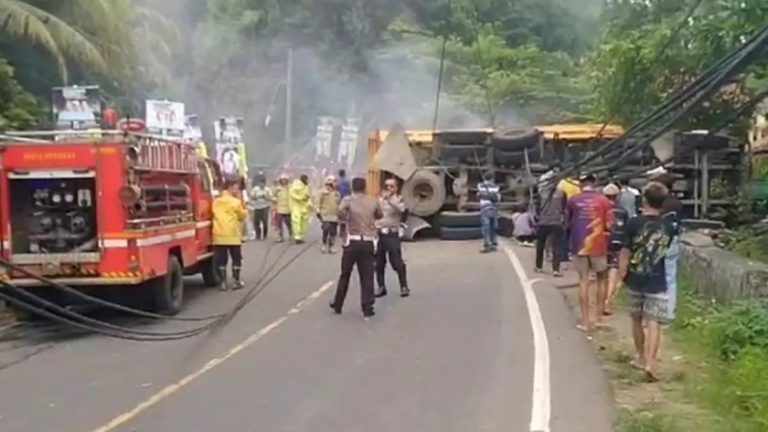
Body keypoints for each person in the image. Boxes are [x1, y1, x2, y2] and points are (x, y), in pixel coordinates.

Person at [619, 181, 677, 382]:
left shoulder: (633, 223)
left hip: (635, 278)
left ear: (644, 199)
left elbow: (625, 251)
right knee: (654, 322)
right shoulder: (669, 227)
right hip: (657, 279)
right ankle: (651, 363)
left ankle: (641, 357)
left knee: (637, 319)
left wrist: (621, 275)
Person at [566, 173, 614, 331]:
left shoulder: (573, 200)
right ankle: (598, 319)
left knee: (583, 281)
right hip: (599, 245)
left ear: (581, 184)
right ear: (594, 183)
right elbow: (609, 224)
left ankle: (585, 322)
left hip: (579, 245)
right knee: (602, 279)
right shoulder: (604, 200)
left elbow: (567, 223)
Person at [330, 177, 382, 319]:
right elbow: (379, 215)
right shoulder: (373, 200)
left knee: (345, 274)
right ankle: (367, 307)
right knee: (367, 275)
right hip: (368, 242)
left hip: (352, 242)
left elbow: (340, 213)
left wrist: (347, 215)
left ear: (353, 187)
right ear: (365, 187)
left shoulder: (347, 200)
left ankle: (338, 303)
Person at [375, 178, 410, 298]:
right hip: (380, 233)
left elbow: (402, 210)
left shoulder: (398, 199)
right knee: (379, 262)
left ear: (396, 188)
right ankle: (381, 286)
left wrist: (390, 200)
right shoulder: (380, 200)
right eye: (386, 186)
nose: (388, 189)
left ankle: (404, 286)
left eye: (391, 186)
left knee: (396, 262)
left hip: (392, 234)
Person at [212, 180, 248, 290]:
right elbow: (242, 215)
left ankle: (223, 282)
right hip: (232, 234)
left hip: (219, 234)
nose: (237, 190)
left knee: (221, 259)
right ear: (230, 187)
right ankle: (236, 281)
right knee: (236, 258)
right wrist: (244, 205)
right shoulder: (235, 202)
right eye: (235, 188)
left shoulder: (216, 201)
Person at [657, 175, 683, 321]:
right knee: (671, 278)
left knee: (657, 277)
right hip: (673, 240)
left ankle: (657, 311)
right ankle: (669, 313)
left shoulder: (659, 203)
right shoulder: (677, 203)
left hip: (659, 241)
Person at [603, 183, 629, 315]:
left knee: (601, 274)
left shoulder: (601, 209)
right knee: (613, 273)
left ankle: (600, 302)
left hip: (602, 243)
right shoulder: (623, 211)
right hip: (618, 243)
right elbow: (626, 229)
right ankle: (608, 302)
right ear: (617, 197)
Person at [534, 187, 566, 277]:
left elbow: (537, 208)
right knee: (557, 246)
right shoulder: (562, 193)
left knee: (540, 245)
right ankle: (556, 269)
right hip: (556, 222)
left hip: (543, 222)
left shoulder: (541, 193)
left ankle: (538, 266)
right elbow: (563, 208)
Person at [316, 175, 341, 253]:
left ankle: (331, 246)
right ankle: (324, 244)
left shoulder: (337, 193)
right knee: (326, 230)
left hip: (334, 216)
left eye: (333, 183)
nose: (331, 185)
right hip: (325, 215)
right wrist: (318, 211)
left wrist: (340, 214)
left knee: (333, 232)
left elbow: (339, 204)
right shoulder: (322, 192)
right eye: (329, 184)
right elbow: (317, 202)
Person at [478, 172, 501, 253]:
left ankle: (487, 245)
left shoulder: (480, 186)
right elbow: (498, 198)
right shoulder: (496, 187)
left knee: (486, 227)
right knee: (493, 226)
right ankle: (494, 244)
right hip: (493, 208)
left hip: (484, 208)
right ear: (492, 178)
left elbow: (479, 194)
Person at [289, 174, 312, 244]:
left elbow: (308, 196)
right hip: (296, 206)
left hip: (304, 207)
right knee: (296, 220)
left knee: (304, 222)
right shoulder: (295, 186)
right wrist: (300, 198)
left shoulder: (306, 187)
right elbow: (292, 194)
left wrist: (309, 203)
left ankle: (301, 236)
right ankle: (297, 236)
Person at [250, 174, 273, 240]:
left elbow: (271, 198)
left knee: (265, 221)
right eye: (260, 184)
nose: (261, 185)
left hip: (265, 207)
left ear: (264, 184)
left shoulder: (267, 189)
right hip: (257, 207)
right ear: (259, 183)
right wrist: (257, 197)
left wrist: (265, 197)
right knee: (256, 222)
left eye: (262, 184)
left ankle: (265, 235)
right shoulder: (255, 189)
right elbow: (252, 197)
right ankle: (258, 235)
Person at [274, 174, 292, 242]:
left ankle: (291, 234)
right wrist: (275, 200)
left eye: (285, 180)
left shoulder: (290, 188)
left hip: (288, 209)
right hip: (279, 209)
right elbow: (273, 196)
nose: (284, 181)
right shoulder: (278, 188)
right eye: (282, 180)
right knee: (279, 224)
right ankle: (280, 236)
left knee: (289, 223)